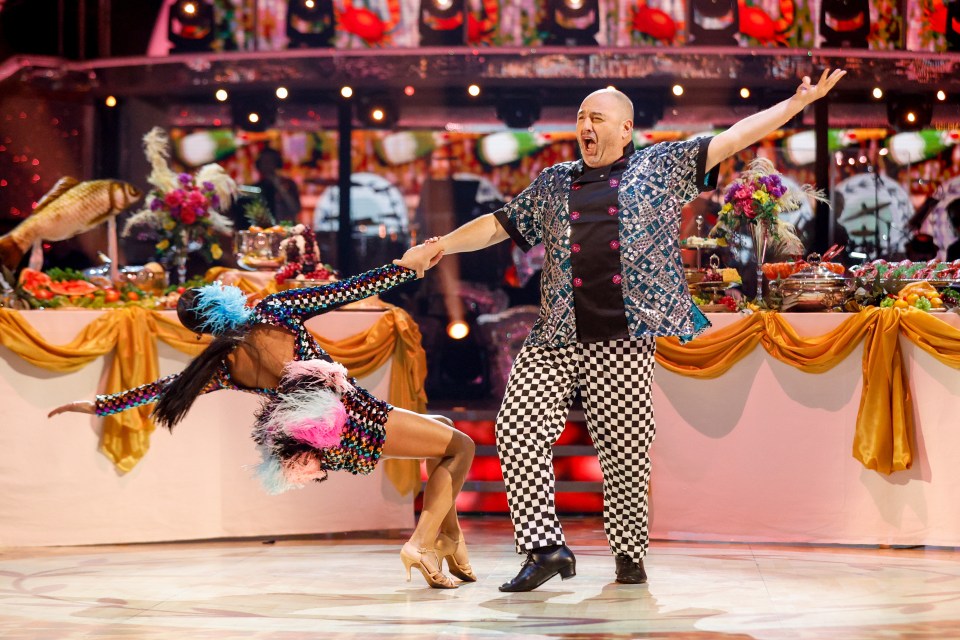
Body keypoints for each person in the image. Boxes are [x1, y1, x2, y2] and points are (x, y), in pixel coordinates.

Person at [398, 69, 847, 592]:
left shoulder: (661, 166)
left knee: (625, 454)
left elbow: (735, 137)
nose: (585, 125)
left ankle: (629, 556)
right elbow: (499, 224)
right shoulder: (554, 182)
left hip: (623, 337)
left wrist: (796, 104)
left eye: (597, 118)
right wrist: (440, 246)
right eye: (581, 117)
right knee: (516, 428)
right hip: (555, 337)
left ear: (626, 127)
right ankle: (545, 549)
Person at [49, 258, 478, 590]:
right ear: (222, 298)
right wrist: (407, 266)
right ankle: (421, 544)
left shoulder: (222, 366)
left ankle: (449, 540)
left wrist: (99, 404)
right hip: (357, 416)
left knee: (437, 428)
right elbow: (350, 289)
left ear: (204, 331)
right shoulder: (278, 309)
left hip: (324, 440)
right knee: (461, 447)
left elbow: (163, 388)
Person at [254, 148, 302, 223]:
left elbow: (296, 209)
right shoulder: (257, 187)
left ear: (277, 162)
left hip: (288, 228)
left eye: (269, 161)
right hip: (267, 230)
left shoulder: (289, 184)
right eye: (264, 161)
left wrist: (279, 186)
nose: (266, 165)